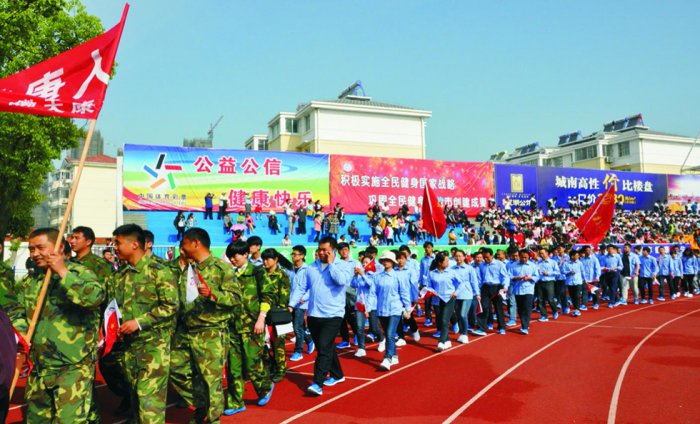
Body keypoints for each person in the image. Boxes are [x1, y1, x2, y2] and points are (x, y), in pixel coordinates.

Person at [5, 228, 104, 423]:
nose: (34, 254)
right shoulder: (32, 281)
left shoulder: (79, 273)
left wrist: (62, 271)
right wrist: (23, 333)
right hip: (40, 365)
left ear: (59, 247)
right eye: (31, 249)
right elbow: (17, 311)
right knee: (37, 419)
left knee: (69, 420)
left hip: (72, 365)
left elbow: (94, 298)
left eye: (40, 248)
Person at [109, 224, 179, 424]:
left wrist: (139, 322)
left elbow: (171, 305)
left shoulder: (159, 271)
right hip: (129, 348)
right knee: (136, 401)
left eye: (118, 243)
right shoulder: (120, 275)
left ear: (134, 244)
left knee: (150, 406)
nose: (114, 247)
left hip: (153, 348)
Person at [170, 228, 241, 423]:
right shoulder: (189, 269)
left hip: (210, 332)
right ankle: (202, 404)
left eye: (184, 243)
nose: (182, 248)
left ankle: (212, 419)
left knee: (211, 381)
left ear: (195, 243)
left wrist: (212, 294)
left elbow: (236, 299)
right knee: (174, 368)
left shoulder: (221, 268)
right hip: (186, 330)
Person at [69, 226, 121, 420]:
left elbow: (106, 296)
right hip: (71, 325)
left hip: (91, 324)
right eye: (71, 237)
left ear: (88, 241)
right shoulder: (70, 264)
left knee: (88, 371)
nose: (72, 241)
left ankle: (92, 414)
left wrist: (104, 327)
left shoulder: (99, 266)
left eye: (77, 238)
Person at [287, 237, 350, 396]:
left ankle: (317, 383)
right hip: (314, 314)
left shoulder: (342, 266)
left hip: (333, 314)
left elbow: (341, 281)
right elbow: (301, 288)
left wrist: (331, 264)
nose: (321, 252)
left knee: (323, 347)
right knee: (325, 347)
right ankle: (338, 374)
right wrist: (291, 305)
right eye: (319, 249)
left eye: (325, 250)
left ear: (333, 250)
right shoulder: (311, 268)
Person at [225, 241, 275, 415]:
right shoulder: (230, 274)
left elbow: (267, 296)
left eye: (235, 256)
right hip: (232, 327)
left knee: (252, 362)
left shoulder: (257, 272)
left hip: (252, 326)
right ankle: (235, 402)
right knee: (233, 367)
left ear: (245, 254)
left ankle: (264, 387)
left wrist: (261, 318)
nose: (232, 259)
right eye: (230, 257)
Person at [372, 251, 411, 368]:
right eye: (384, 260)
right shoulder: (377, 276)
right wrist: (369, 307)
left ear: (393, 262)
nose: (386, 262)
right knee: (388, 333)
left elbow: (404, 292)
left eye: (388, 260)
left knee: (389, 334)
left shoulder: (398, 276)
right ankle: (394, 356)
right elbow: (373, 293)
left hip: (395, 309)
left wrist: (407, 308)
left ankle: (387, 358)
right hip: (381, 309)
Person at [261, 248, 293, 383]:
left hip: (277, 314)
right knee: (262, 343)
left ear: (275, 260)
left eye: (268, 259)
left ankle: (280, 369)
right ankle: (270, 366)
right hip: (262, 313)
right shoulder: (261, 274)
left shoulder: (282, 275)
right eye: (263, 259)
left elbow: (284, 297)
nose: (265, 262)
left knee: (278, 343)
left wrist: (276, 312)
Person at [351, 256, 384, 357]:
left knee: (374, 328)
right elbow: (353, 285)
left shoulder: (374, 275)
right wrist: (355, 276)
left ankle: (381, 339)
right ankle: (361, 348)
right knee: (359, 327)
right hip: (360, 304)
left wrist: (363, 275)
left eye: (366, 262)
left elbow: (370, 285)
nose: (364, 264)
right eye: (363, 263)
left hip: (372, 305)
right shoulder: (360, 274)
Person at [428, 251, 462, 350]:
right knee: (440, 320)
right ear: (439, 262)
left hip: (449, 298)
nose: (448, 263)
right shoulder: (432, 273)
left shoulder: (452, 272)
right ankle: (447, 341)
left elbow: (461, 283)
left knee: (444, 320)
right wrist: (432, 291)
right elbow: (429, 286)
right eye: (446, 261)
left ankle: (441, 341)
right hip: (437, 299)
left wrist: (456, 292)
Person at [288, 246, 315, 362]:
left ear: (302, 256)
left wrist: (304, 298)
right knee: (298, 326)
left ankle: (298, 351)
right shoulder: (290, 269)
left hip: (301, 303)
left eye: (295, 254)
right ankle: (309, 340)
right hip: (290, 302)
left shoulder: (307, 269)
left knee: (297, 327)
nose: (293, 256)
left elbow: (311, 287)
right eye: (292, 254)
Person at [475, 248, 510, 336]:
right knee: (483, 307)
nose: (486, 259)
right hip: (485, 288)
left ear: (492, 255)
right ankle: (482, 328)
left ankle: (501, 327)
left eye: (487, 257)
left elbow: (505, 276)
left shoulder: (499, 264)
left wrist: (505, 287)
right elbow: (479, 279)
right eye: (484, 257)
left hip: (496, 287)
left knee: (498, 308)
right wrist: (478, 290)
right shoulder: (481, 265)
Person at [451, 250, 480, 344]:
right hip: (455, 295)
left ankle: (465, 334)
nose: (458, 258)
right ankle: (461, 334)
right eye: (456, 256)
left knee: (463, 314)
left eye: (460, 256)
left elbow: (474, 281)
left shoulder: (469, 268)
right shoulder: (451, 269)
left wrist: (477, 293)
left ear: (464, 257)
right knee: (458, 315)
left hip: (467, 294)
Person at [509, 249, 539, 335]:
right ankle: (524, 323)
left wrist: (530, 278)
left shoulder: (532, 265)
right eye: (522, 257)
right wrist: (516, 278)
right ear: (519, 256)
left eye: (526, 257)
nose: (524, 259)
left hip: (528, 289)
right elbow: (509, 276)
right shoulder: (513, 265)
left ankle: (525, 327)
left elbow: (537, 277)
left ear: (529, 257)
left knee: (527, 308)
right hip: (517, 290)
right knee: (521, 308)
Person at [536, 247, 560, 321]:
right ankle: (544, 315)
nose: (541, 255)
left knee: (550, 299)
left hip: (549, 282)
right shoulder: (538, 263)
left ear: (547, 253)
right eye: (540, 253)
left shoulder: (553, 262)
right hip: (540, 282)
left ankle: (555, 311)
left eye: (542, 253)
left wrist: (548, 273)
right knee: (540, 299)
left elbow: (557, 272)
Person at [561, 249, 584, 316]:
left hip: (578, 281)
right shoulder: (566, 263)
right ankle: (575, 308)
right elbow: (562, 271)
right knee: (572, 296)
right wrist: (569, 272)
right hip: (570, 282)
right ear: (572, 256)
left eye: (578, 255)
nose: (578, 256)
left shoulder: (579, 263)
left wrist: (584, 280)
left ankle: (577, 309)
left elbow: (583, 271)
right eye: (576, 255)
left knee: (577, 295)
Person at [419, 242, 436, 326]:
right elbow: (421, 272)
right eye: (425, 247)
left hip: (436, 283)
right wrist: (420, 283)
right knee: (427, 302)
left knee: (437, 303)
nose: (427, 249)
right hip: (426, 284)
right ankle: (428, 319)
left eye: (429, 247)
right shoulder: (423, 260)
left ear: (432, 248)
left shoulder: (436, 258)